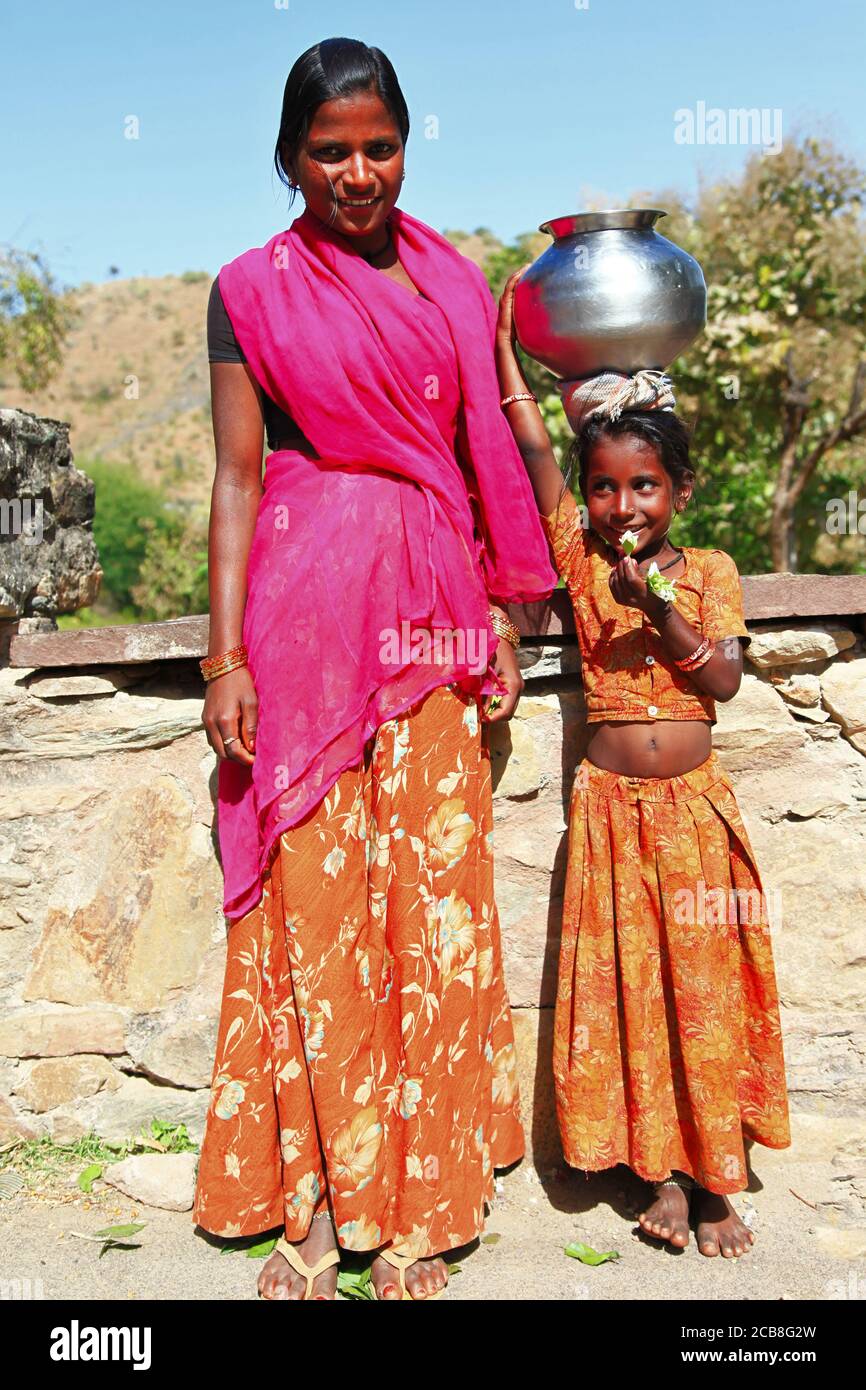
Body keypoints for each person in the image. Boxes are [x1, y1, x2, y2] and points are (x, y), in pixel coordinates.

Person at [191, 39, 558, 1301]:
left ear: (407, 142)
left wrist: (506, 604)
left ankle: (423, 1205)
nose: (355, 172)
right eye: (328, 150)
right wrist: (223, 654)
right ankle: (315, 1199)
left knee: (436, 908)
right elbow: (236, 478)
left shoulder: (458, 285)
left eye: (377, 146)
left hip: (433, 617)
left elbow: (482, 450)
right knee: (320, 910)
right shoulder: (249, 289)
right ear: (290, 156)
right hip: (301, 625)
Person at [494, 267, 792, 1258]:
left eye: (645, 485)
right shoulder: (580, 562)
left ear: (680, 491)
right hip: (613, 815)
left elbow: (720, 684)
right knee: (634, 993)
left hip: (693, 818)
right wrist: (506, 351)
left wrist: (657, 605)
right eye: (605, 486)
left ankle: (715, 1182)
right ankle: (656, 1174)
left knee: (701, 994)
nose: (623, 502)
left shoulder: (706, 572)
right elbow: (533, 446)